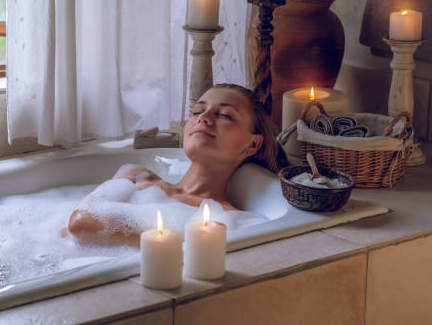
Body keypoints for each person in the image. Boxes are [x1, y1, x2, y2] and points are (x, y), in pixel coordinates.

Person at [66, 84, 287, 246]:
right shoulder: (136, 175)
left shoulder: (232, 223)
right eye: (198, 111)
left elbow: (81, 224)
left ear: (252, 144)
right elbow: (77, 226)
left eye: (224, 115)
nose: (204, 118)